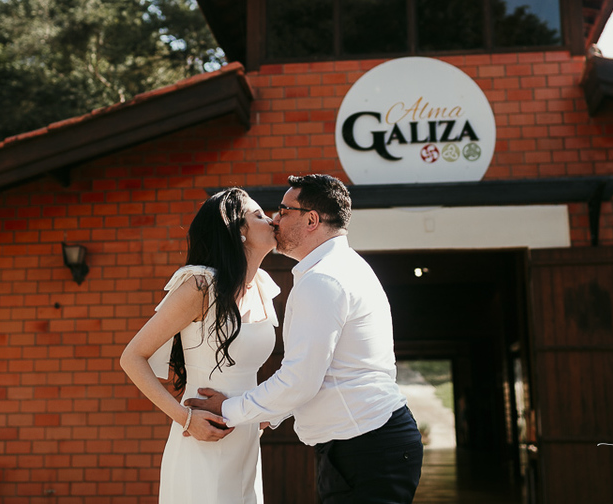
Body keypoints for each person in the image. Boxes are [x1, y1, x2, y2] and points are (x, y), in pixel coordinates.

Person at [187, 174, 424, 504]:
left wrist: (229, 410)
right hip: (363, 442)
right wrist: (269, 414)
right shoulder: (341, 268)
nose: (275, 218)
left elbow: (300, 379)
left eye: (284, 210)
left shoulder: (323, 280)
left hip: (365, 445)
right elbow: (325, 372)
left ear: (311, 219)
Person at [120, 188, 280, 504]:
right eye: (259, 215)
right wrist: (186, 419)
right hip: (201, 440)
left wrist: (264, 415)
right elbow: (132, 357)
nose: (272, 219)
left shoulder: (263, 286)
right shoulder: (199, 286)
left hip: (246, 440)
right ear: (239, 231)